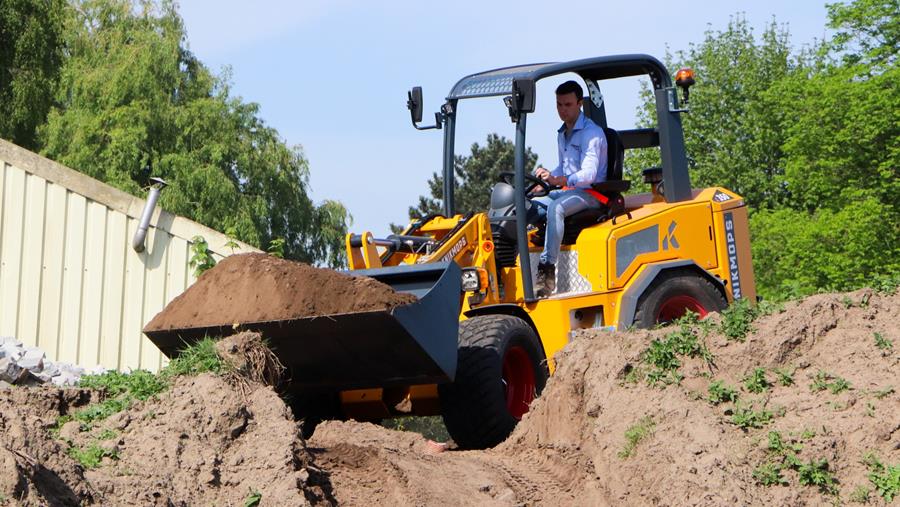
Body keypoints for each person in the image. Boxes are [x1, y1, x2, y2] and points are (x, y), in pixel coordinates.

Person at [530, 80, 608, 298]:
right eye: (559, 105)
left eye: (567, 104)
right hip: (569, 191)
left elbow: (588, 175)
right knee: (529, 206)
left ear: (579, 103)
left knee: (555, 208)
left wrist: (558, 180)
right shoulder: (562, 133)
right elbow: (563, 167)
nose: (562, 110)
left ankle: (546, 270)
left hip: (591, 194)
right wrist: (546, 179)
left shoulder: (592, 134)